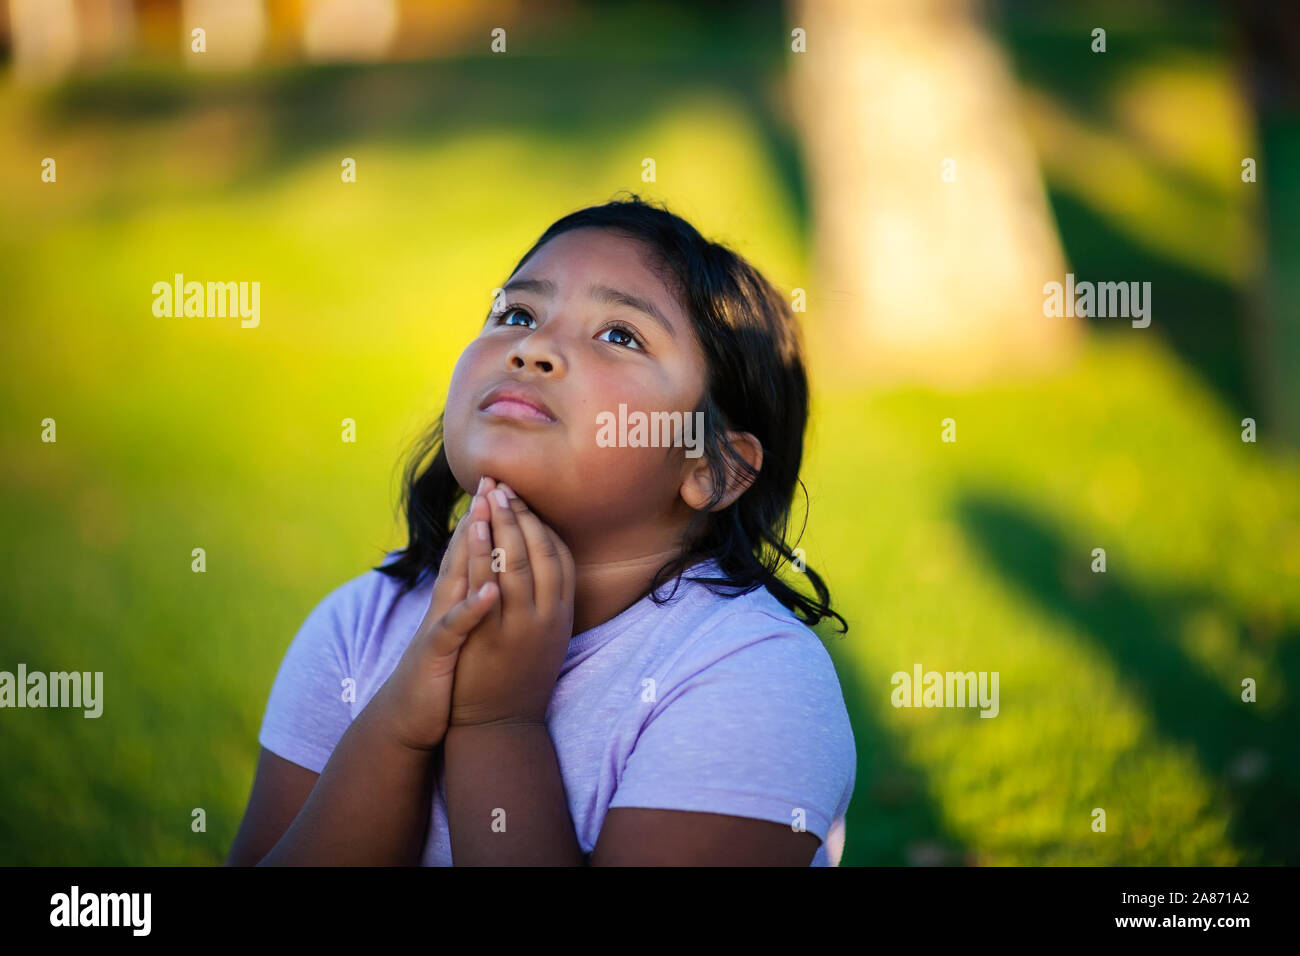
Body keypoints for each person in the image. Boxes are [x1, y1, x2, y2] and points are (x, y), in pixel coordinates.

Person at [226, 194, 856, 866]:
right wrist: (397, 724)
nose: (532, 348)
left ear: (714, 466)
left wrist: (497, 723)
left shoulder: (753, 677)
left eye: (620, 335)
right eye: (518, 313)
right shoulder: (361, 626)